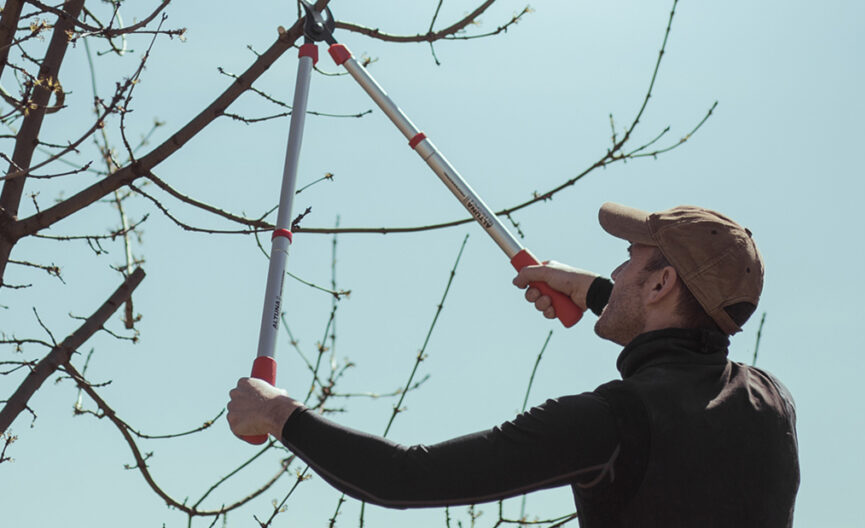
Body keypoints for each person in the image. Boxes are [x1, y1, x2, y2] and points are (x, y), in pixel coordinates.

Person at [227, 202, 800, 527]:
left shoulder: (611, 423)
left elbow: (404, 478)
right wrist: (593, 290)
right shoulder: (771, 404)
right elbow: (683, 347)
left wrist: (279, 414)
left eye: (628, 262)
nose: (617, 272)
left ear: (660, 284)